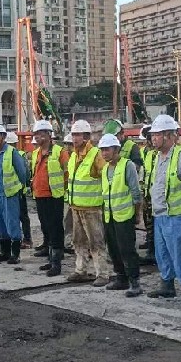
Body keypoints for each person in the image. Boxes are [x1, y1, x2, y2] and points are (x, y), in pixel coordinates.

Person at [147, 114, 181, 309]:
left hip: (176, 216)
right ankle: (167, 284)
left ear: (170, 136)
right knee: (162, 253)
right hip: (160, 214)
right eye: (153, 135)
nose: (153, 138)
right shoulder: (157, 157)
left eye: (157, 135)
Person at [65, 120, 111, 285]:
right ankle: (80, 270)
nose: (75, 138)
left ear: (86, 137)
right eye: (73, 135)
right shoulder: (74, 155)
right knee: (78, 241)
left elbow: (107, 177)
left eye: (78, 135)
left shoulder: (95, 155)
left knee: (96, 242)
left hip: (92, 208)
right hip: (76, 206)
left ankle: (102, 274)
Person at [98, 134, 143, 296]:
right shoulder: (105, 169)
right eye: (102, 150)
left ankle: (134, 281)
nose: (104, 153)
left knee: (127, 249)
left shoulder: (127, 165)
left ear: (116, 149)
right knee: (114, 249)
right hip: (109, 216)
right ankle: (121, 277)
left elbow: (135, 192)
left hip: (124, 215)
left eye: (107, 150)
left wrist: (137, 214)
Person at [30, 120, 70, 276]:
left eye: (40, 134)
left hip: (54, 196)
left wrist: (61, 189)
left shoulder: (60, 152)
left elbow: (67, 173)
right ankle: (50, 257)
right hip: (40, 195)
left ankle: (56, 263)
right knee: (46, 227)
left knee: (55, 229)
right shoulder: (36, 153)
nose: (37, 137)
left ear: (48, 134)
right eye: (35, 134)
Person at [0, 124, 31, 265]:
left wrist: (19, 189)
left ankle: (15, 254)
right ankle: (5, 252)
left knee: (12, 223)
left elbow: (22, 173)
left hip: (10, 195)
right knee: (0, 224)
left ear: (3, 137)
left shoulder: (12, 152)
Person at [6, 130, 33, 248]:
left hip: (17, 191)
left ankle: (25, 239)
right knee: (19, 216)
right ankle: (22, 238)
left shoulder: (19, 155)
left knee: (20, 216)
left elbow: (25, 173)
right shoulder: (17, 154)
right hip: (12, 191)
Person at [137, 125, 157, 265]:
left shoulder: (158, 154)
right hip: (147, 193)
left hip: (155, 195)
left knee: (155, 224)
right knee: (148, 222)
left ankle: (154, 251)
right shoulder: (146, 153)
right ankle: (151, 247)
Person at [62, 130, 76, 255]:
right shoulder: (68, 159)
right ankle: (68, 243)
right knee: (67, 222)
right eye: (66, 144)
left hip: (78, 197)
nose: (68, 147)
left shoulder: (79, 158)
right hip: (68, 196)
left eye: (69, 144)